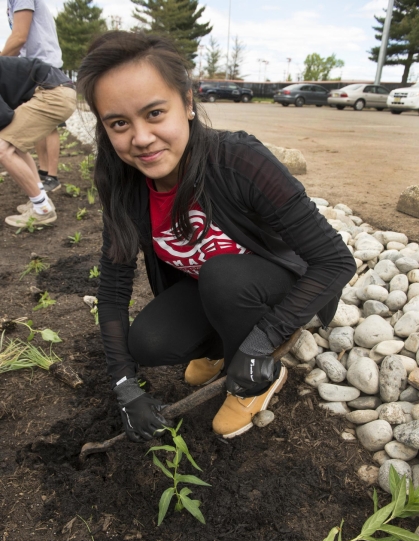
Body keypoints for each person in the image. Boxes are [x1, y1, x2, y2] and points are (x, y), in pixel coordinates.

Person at [77, 31, 356, 442]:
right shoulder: (126, 187)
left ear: (187, 103)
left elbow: (335, 260)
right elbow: (115, 290)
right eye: (119, 123)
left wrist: (260, 343)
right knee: (149, 342)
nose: (140, 138)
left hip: (285, 286)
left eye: (154, 113)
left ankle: (258, 378)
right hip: (212, 286)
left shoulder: (238, 162)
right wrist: (123, 384)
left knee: (224, 277)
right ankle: (224, 345)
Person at [0, 56, 76, 227]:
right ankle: (43, 200)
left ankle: (42, 209)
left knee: (2, 149)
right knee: (15, 146)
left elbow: (4, 116)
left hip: (53, 93)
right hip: (56, 89)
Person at [2, 0, 64, 192]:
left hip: (44, 67)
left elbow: (19, 36)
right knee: (35, 123)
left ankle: (52, 176)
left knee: (49, 126)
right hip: (30, 68)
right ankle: (43, 172)